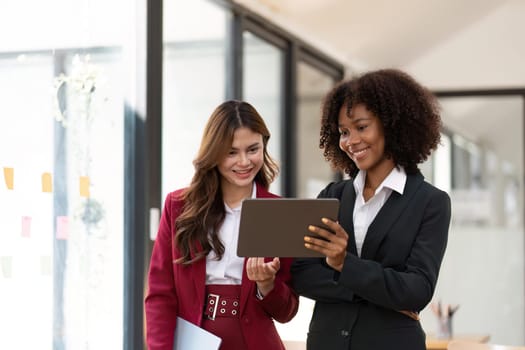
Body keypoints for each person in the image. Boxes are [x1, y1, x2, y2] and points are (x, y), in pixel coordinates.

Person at [291, 69, 451, 350]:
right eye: (343, 132)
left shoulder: (431, 202)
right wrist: (379, 293)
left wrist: (343, 264)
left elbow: (417, 290)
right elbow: (302, 275)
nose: (350, 141)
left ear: (392, 125)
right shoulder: (332, 196)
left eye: (361, 127)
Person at [145, 100, 298, 350]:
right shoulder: (178, 207)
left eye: (252, 149)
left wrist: (267, 285)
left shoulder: (278, 213)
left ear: (264, 146)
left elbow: (287, 311)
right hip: (192, 342)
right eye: (231, 152)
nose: (244, 162)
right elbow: (160, 295)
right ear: (213, 153)